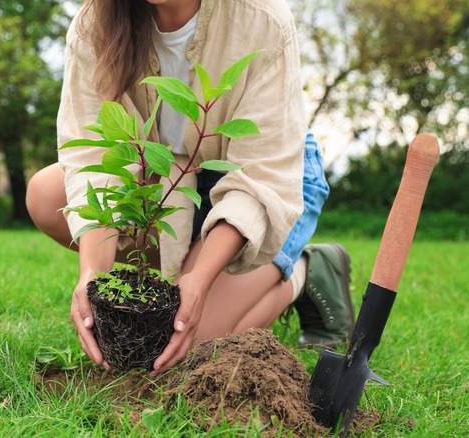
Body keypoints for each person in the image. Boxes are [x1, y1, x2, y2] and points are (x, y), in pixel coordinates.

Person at [26, 0, 354, 375]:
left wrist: (199, 281)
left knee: (191, 350)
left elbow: (262, 176)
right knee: (47, 194)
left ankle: (304, 270)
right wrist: (92, 277)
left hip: (269, 184)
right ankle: (177, 280)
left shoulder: (262, 18)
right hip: (171, 184)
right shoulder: (96, 21)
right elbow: (94, 160)